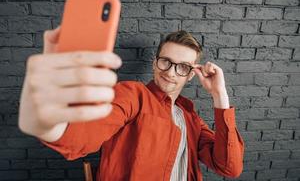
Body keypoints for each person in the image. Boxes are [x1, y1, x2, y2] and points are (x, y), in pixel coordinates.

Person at [18, 27, 244, 181]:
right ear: (155, 63)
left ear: (191, 74)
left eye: (183, 67)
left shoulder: (189, 116)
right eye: (166, 62)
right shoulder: (132, 96)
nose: (171, 73)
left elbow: (229, 167)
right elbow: (81, 136)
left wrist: (219, 95)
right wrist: (47, 124)